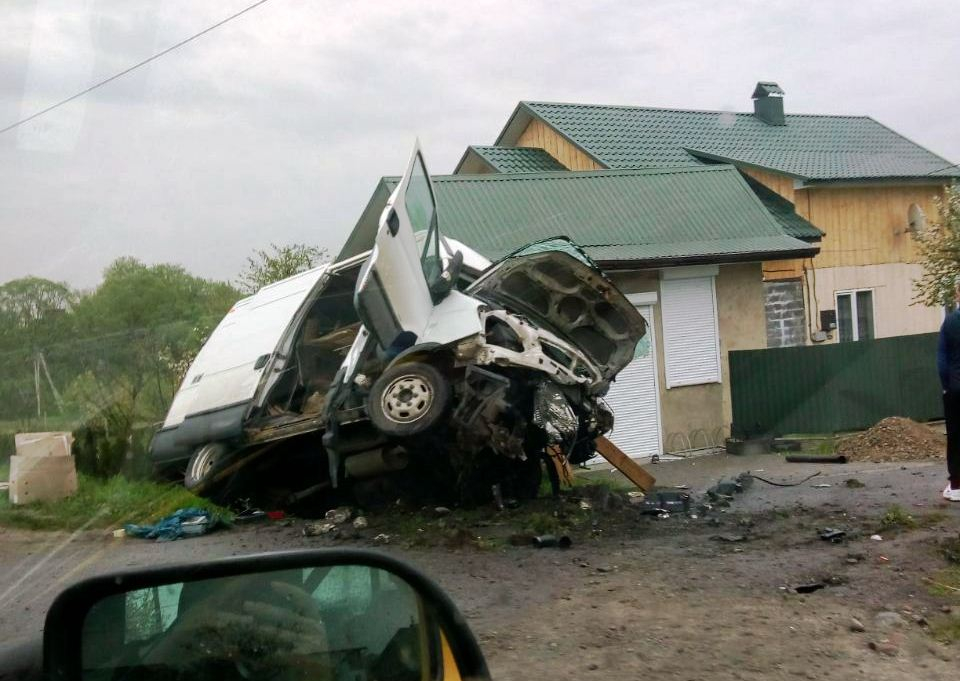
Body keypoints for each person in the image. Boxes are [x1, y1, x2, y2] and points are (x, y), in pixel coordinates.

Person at [936, 291, 960, 502]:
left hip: (956, 389)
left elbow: (942, 360)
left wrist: (946, 386)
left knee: (955, 437)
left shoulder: (950, 322)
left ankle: (957, 486)